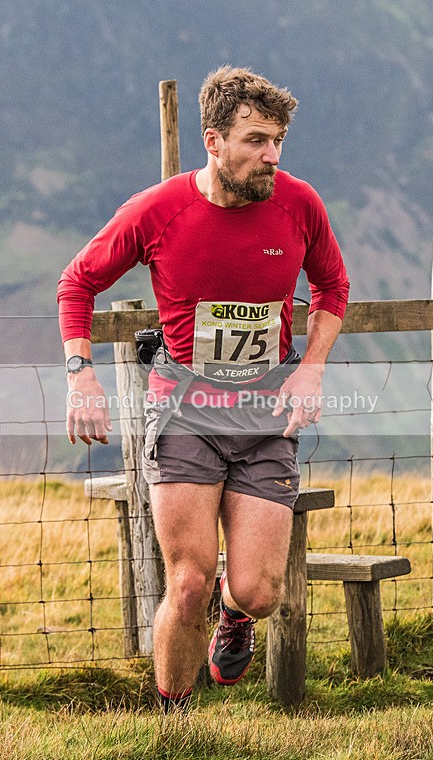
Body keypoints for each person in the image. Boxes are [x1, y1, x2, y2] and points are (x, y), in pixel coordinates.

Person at [57, 66, 349, 712]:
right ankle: (175, 721)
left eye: (277, 141)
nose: (271, 155)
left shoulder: (299, 204)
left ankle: (236, 616)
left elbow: (333, 286)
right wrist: (81, 375)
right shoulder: (157, 210)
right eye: (255, 140)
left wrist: (312, 366)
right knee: (188, 583)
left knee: (260, 591)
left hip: (265, 411)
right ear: (213, 141)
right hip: (183, 409)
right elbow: (77, 283)